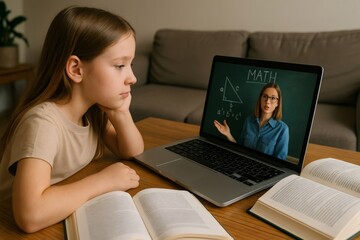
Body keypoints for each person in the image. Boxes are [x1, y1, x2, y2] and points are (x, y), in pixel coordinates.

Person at [0, 6, 144, 233]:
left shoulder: (93, 110)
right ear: (76, 69)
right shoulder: (42, 123)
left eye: (131, 64)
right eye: (119, 65)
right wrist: (103, 181)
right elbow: (30, 215)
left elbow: (132, 151)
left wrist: (121, 113)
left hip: (60, 207)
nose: (132, 78)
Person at [214, 83, 289, 160]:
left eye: (273, 98)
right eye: (265, 96)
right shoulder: (249, 121)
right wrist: (228, 134)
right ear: (260, 99)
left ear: (277, 103)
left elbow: (280, 162)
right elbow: (239, 149)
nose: (267, 101)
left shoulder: (282, 129)